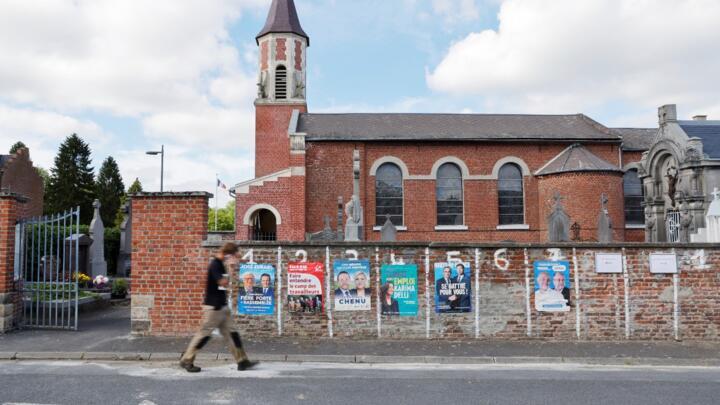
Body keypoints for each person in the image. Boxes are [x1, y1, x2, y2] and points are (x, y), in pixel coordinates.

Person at [180, 243, 258, 373]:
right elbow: (223, 282)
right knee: (204, 335)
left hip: (222, 307)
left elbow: (222, 286)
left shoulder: (220, 263)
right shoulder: (215, 264)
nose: (231, 258)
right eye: (231, 255)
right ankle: (187, 360)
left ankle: (242, 361)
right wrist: (231, 268)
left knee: (233, 334)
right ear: (228, 254)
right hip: (213, 308)